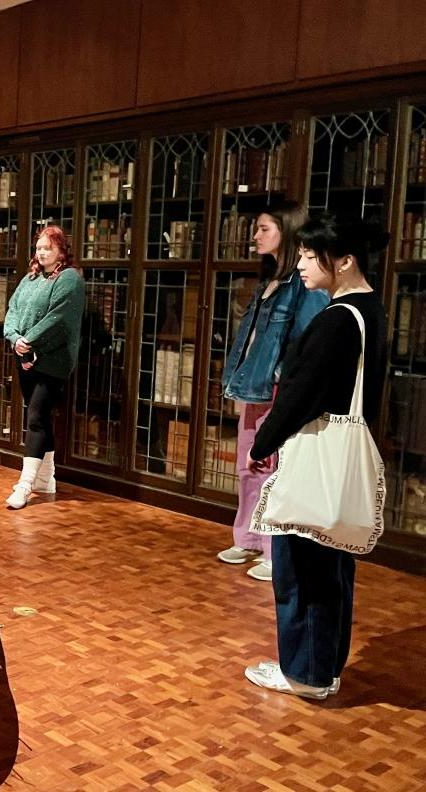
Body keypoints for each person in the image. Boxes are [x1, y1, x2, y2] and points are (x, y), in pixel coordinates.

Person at [243, 215, 389, 700]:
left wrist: (263, 446)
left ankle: (303, 673)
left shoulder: (335, 320)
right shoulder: (370, 309)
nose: (301, 263)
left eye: (310, 256)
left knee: (301, 565)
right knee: (333, 569)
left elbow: (301, 394)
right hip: (346, 455)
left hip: (318, 453)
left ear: (343, 261)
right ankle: (323, 668)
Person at [218, 201, 327, 582]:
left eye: (264, 228)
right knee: (248, 465)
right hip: (254, 385)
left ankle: (271, 547)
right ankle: (246, 536)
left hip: (279, 388)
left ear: (286, 230)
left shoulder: (305, 284)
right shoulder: (269, 280)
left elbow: (306, 341)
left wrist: (285, 382)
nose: (256, 235)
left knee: (273, 468)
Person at [1, 225, 85, 509]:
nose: (41, 252)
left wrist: (29, 341)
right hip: (24, 356)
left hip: (52, 360)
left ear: (61, 250)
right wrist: (15, 339)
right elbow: (12, 310)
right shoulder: (30, 277)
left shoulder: (69, 278)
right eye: (38, 247)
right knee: (41, 417)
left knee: (35, 417)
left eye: (47, 247)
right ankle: (46, 479)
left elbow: (59, 319)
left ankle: (25, 486)